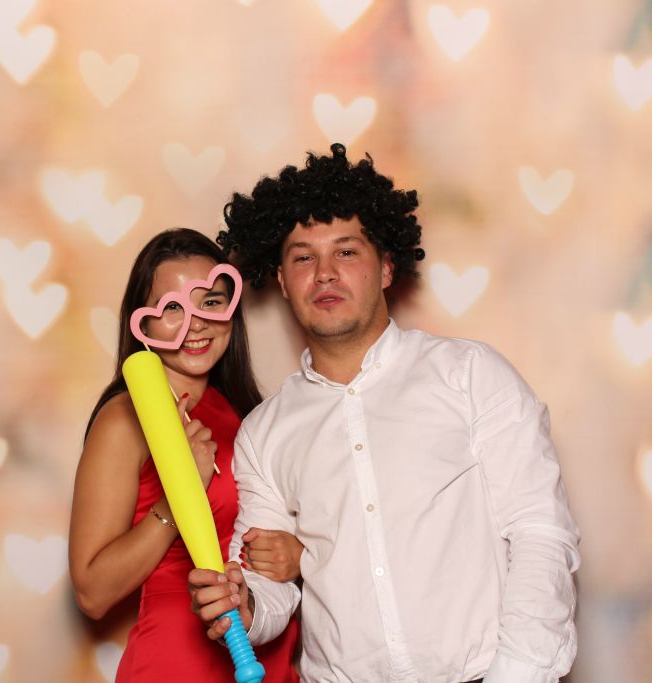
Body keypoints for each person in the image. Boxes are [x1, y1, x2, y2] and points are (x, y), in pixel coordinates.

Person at [189, 145, 581, 683]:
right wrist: (246, 603)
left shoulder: (471, 375)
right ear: (280, 280)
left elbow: (540, 533)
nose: (324, 274)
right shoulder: (265, 433)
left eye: (346, 252)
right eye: (302, 258)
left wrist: (516, 675)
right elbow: (269, 583)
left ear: (387, 267)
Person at [69, 228, 302, 681]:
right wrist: (179, 494)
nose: (195, 324)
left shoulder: (245, 412)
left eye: (210, 301)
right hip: (179, 664)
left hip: (265, 654)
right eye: (171, 308)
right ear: (142, 324)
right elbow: (92, 592)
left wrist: (297, 556)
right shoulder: (124, 420)